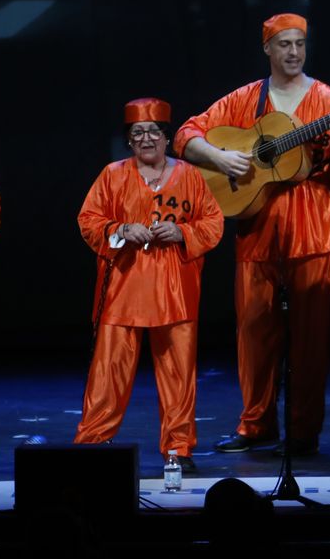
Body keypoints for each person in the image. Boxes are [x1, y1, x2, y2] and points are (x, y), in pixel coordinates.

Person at [175, 12, 330, 454]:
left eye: (299, 44)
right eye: (284, 44)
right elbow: (185, 136)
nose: (293, 52)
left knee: (310, 337)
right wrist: (219, 159)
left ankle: (304, 432)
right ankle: (256, 425)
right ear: (267, 49)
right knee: (253, 333)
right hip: (256, 224)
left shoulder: (328, 98)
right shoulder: (246, 99)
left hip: (314, 225)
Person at [74, 98, 225, 473]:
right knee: (108, 373)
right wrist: (121, 229)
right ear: (129, 140)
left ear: (166, 137)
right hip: (123, 289)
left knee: (178, 375)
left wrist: (181, 231)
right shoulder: (112, 175)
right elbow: (89, 220)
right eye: (137, 132)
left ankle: (178, 448)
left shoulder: (189, 175)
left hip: (175, 290)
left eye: (153, 132)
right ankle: (94, 442)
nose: (146, 139)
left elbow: (213, 223)